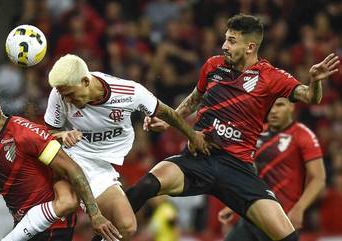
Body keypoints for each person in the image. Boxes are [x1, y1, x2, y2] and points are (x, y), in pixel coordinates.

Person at [123, 14, 339, 241]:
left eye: (232, 41)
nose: (225, 46)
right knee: (146, 185)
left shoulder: (271, 77)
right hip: (199, 158)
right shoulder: (213, 66)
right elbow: (195, 98)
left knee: (288, 237)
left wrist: (315, 81)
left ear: (250, 47)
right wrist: (170, 120)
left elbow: (310, 97)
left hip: (237, 168)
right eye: (226, 39)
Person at [38, 54, 207, 241]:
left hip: (100, 165)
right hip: (72, 157)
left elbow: (165, 112)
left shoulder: (128, 92)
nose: (67, 100)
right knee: (65, 205)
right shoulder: (59, 94)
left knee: (126, 227)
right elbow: (47, 134)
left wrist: (192, 135)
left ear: (85, 81)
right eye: (64, 96)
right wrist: (62, 135)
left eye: (70, 95)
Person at [0, 85, 121, 241]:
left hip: (53, 228)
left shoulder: (24, 134)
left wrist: (95, 214)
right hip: (26, 228)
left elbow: (72, 169)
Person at [217, 97, 326, 241]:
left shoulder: (303, 135)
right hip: (254, 215)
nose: (273, 111)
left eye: (280, 105)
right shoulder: (257, 133)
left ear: (292, 107)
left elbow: (318, 178)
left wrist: (299, 208)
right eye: (271, 106)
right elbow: (250, 174)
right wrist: (233, 205)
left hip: (282, 219)